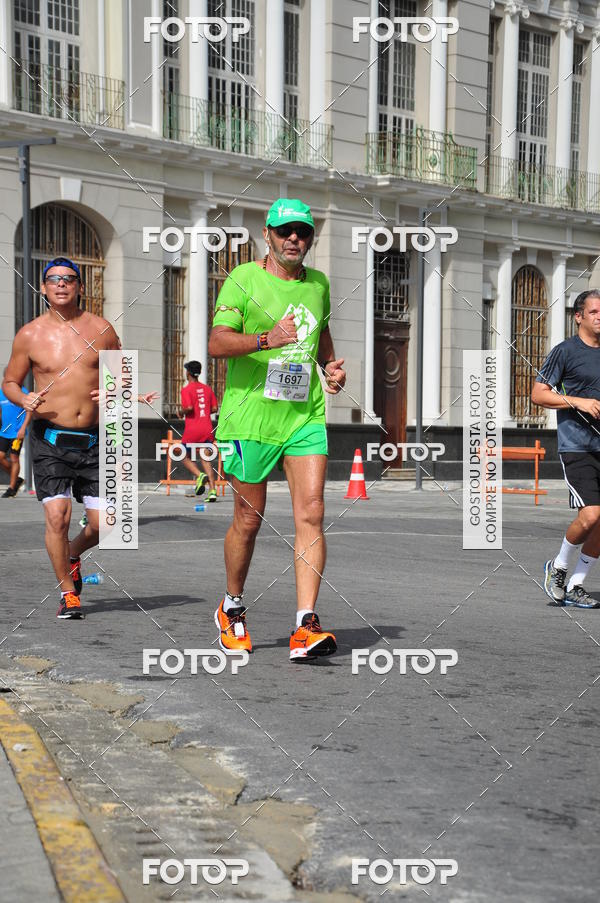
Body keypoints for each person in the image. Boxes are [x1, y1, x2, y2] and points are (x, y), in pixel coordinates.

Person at [208, 198, 346, 660]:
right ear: (267, 233)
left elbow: (321, 336)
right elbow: (217, 342)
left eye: (303, 232)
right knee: (249, 518)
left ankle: (305, 624)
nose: (294, 239)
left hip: (303, 417)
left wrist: (330, 367)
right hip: (249, 419)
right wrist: (268, 339)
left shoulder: (319, 285)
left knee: (312, 512)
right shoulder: (243, 278)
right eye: (285, 230)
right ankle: (231, 606)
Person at [2, 257, 158, 620]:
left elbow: (123, 375)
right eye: (53, 279)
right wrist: (23, 397)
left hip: (94, 439)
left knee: (108, 525)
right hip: (50, 439)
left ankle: (72, 553)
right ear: (42, 288)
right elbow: (10, 380)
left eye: (68, 279)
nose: (60, 284)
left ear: (80, 287)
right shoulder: (29, 334)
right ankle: (68, 593)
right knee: (57, 515)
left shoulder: (101, 329)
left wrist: (113, 389)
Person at [532, 288, 600, 609]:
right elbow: (538, 394)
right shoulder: (565, 351)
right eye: (594, 312)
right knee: (591, 516)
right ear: (578, 317)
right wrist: (579, 402)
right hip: (577, 446)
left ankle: (577, 584)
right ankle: (558, 568)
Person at [180, 360, 219, 501]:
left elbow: (189, 408)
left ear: (188, 373)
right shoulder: (208, 389)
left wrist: (181, 411)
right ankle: (213, 491)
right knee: (206, 458)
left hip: (193, 429)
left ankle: (199, 475)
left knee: (183, 455)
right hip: (207, 428)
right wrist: (203, 410)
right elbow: (215, 409)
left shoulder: (186, 390)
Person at [0, 370, 30, 497]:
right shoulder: (2, 392)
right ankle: (17, 479)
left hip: (17, 432)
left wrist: (23, 428)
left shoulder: (24, 392)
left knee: (14, 458)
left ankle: (12, 488)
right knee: (0, 457)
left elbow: (29, 411)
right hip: (4, 431)